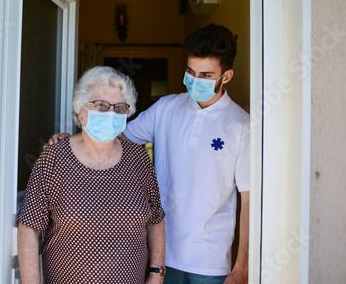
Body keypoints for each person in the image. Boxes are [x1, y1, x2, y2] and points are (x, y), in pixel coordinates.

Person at [48, 24, 250, 283]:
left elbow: (249, 201)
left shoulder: (242, 126)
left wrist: (242, 265)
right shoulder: (166, 108)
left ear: (227, 76)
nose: (194, 80)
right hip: (160, 254)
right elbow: (113, 135)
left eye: (206, 75)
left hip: (210, 261)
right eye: (190, 71)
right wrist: (72, 141)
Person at [18, 66, 166, 284]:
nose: (110, 113)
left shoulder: (138, 159)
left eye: (119, 108)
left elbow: (155, 219)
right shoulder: (55, 157)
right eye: (101, 106)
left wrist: (156, 274)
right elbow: (29, 227)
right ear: (81, 112)